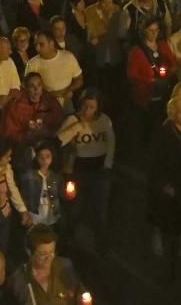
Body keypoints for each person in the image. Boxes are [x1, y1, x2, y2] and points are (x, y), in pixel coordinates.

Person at [57, 87, 115, 247]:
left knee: (100, 210)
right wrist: (77, 125)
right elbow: (60, 140)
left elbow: (111, 143)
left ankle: (101, 243)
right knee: (74, 208)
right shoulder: (72, 120)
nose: (87, 110)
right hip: (77, 170)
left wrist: (107, 165)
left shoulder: (104, 120)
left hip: (99, 170)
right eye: (84, 106)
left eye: (91, 107)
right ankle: (68, 240)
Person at [148, 96, 181, 263]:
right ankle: (157, 239)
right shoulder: (164, 134)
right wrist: (163, 184)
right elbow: (156, 161)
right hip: (170, 181)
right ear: (173, 114)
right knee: (164, 214)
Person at [5, 225, 82, 304]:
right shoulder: (18, 281)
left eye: (52, 252)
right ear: (29, 252)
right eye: (43, 254)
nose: (49, 258)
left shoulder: (65, 266)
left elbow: (81, 292)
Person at [0, 72, 64, 158]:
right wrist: (29, 134)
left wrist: (46, 131)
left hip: (47, 140)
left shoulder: (50, 101)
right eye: (32, 86)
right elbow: (9, 133)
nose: (36, 89)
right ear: (26, 88)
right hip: (23, 144)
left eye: (39, 85)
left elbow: (59, 122)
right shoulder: (16, 105)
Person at [18, 141, 63, 230]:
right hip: (34, 216)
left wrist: (70, 194)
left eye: (47, 156)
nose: (44, 160)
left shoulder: (56, 176)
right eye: (41, 157)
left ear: (52, 157)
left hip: (51, 216)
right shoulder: (29, 175)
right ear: (36, 158)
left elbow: (61, 194)